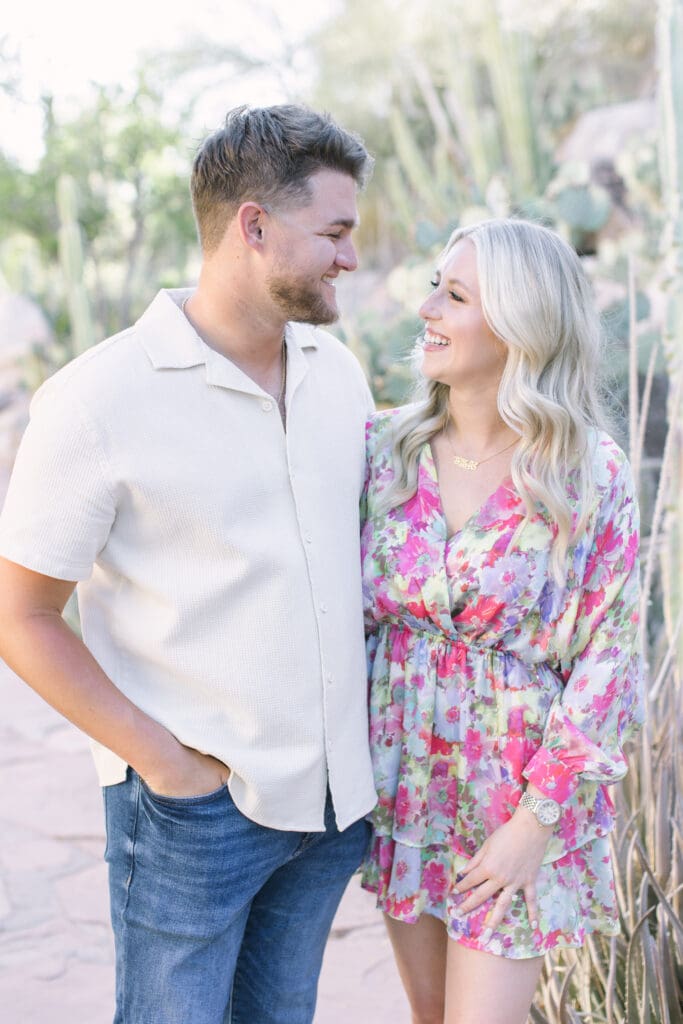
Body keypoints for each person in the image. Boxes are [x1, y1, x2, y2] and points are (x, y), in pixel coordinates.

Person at [0, 104, 377, 1024]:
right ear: (252, 225)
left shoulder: (338, 371)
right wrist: (164, 766)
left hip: (332, 811)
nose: (351, 259)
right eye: (333, 232)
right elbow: (21, 614)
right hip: (193, 817)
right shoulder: (96, 399)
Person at [360, 218, 643, 1024]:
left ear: (518, 324)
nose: (426, 310)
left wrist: (534, 821)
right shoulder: (387, 448)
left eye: (453, 296)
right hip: (404, 787)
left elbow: (607, 657)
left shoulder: (585, 470)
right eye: (432, 287)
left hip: (509, 798)